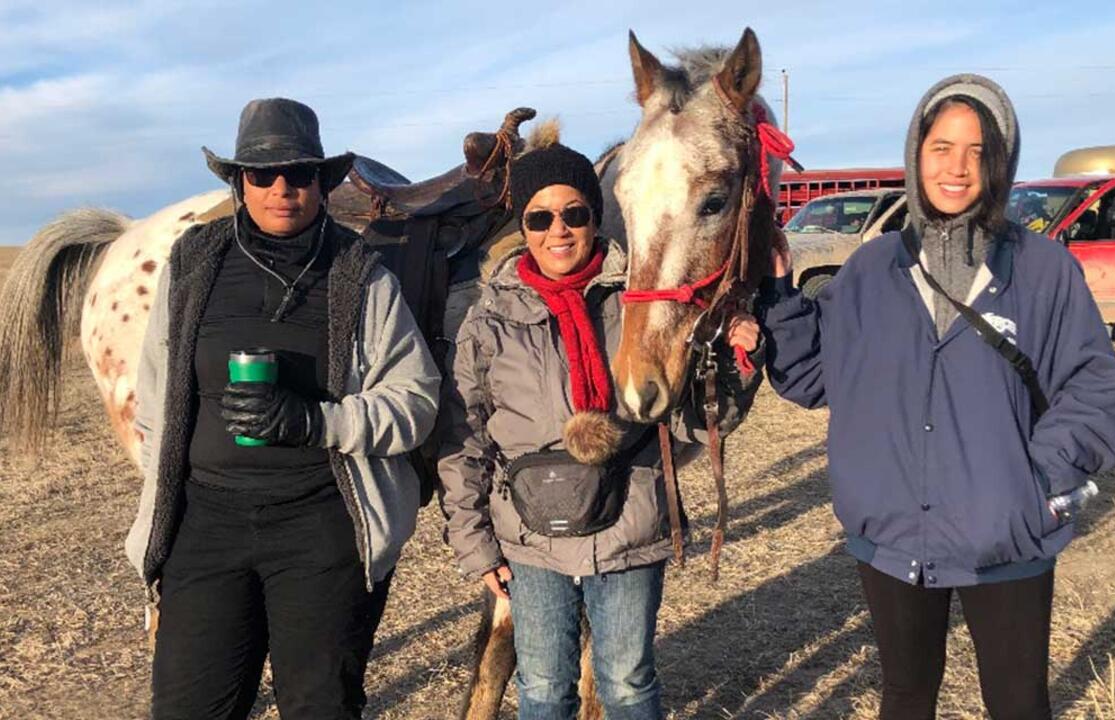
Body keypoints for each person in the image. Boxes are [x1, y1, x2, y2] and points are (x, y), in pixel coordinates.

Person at [749, 75, 1115, 719]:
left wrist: (1035, 480)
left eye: (978, 150)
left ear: (1002, 162)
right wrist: (780, 299)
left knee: (1017, 702)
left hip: (1006, 534)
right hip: (893, 532)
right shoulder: (873, 269)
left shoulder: (1042, 270)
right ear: (915, 152)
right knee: (906, 695)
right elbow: (816, 374)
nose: (957, 167)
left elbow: (1102, 389)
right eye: (941, 146)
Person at [128, 98, 441, 719]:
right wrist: (168, 480)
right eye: (262, 174)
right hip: (204, 526)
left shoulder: (362, 273)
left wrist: (315, 422)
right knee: (189, 707)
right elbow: (155, 392)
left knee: (319, 706)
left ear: (321, 183)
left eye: (300, 174)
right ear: (239, 180)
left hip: (320, 525)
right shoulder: (194, 262)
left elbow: (416, 400)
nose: (281, 189)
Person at [437, 142, 762, 720]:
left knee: (629, 683)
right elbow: (465, 439)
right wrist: (475, 545)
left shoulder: (639, 305)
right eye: (540, 218)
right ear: (524, 227)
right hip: (529, 541)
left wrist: (739, 369)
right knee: (541, 687)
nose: (558, 231)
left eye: (574, 213)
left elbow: (689, 424)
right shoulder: (489, 319)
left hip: (627, 531)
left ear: (594, 216)